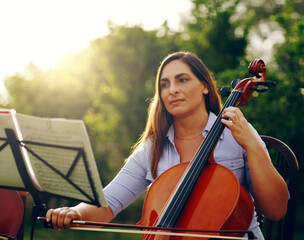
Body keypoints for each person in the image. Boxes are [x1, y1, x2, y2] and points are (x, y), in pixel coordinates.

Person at [46, 52, 289, 239]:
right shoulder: (153, 147)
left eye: (182, 80)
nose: (172, 90)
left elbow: (276, 210)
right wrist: (75, 212)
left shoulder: (237, 135)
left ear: (205, 86)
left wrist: (253, 145)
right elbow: (107, 204)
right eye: (164, 84)